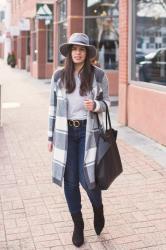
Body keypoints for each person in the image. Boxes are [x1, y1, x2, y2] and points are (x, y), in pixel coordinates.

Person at [48, 33, 111, 247]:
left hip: (89, 132)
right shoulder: (58, 76)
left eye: (82, 49)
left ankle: (98, 207)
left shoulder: (98, 75)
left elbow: (108, 102)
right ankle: (78, 225)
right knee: (70, 180)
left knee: (88, 179)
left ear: (87, 53)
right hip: (65, 133)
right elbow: (52, 109)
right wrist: (50, 136)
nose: (77, 52)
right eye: (74, 49)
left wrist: (97, 105)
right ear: (69, 52)